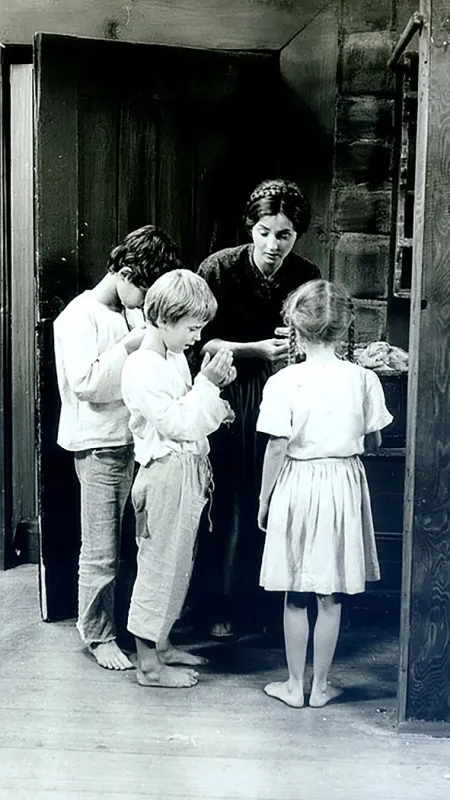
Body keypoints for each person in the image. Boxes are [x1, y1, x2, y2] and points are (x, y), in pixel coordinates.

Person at [256, 279, 393, 708]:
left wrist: (264, 499)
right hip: (342, 484)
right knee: (328, 592)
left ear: (294, 327)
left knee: (295, 589)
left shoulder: (284, 382)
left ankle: (294, 686)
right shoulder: (364, 378)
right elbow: (374, 442)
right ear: (345, 327)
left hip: (297, 482)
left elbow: (277, 445)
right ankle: (322, 687)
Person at [195, 178, 321, 639]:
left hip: (283, 395)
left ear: (297, 236)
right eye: (265, 231)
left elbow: (315, 333)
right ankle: (215, 604)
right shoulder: (220, 268)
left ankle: (260, 605)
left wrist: (297, 348)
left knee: (267, 500)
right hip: (227, 394)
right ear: (251, 227)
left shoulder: (305, 273)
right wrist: (257, 351)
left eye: (284, 235)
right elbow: (200, 340)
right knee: (224, 501)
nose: (273, 244)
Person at [53, 225, 183, 671]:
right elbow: (85, 384)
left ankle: (142, 634)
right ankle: (98, 634)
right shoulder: (78, 315)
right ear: (125, 272)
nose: (146, 303)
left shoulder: (130, 313)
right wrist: (129, 346)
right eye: (144, 290)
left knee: (141, 546)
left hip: (135, 443)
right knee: (102, 550)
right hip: (98, 446)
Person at [121, 270, 236, 688]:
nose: (197, 335)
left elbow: (191, 409)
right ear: (165, 320)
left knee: (178, 565)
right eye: (192, 327)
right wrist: (207, 384)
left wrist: (216, 399)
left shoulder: (170, 359)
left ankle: (162, 643)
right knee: (157, 567)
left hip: (187, 472)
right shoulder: (142, 366)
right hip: (165, 473)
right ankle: (148, 665)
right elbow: (176, 423)